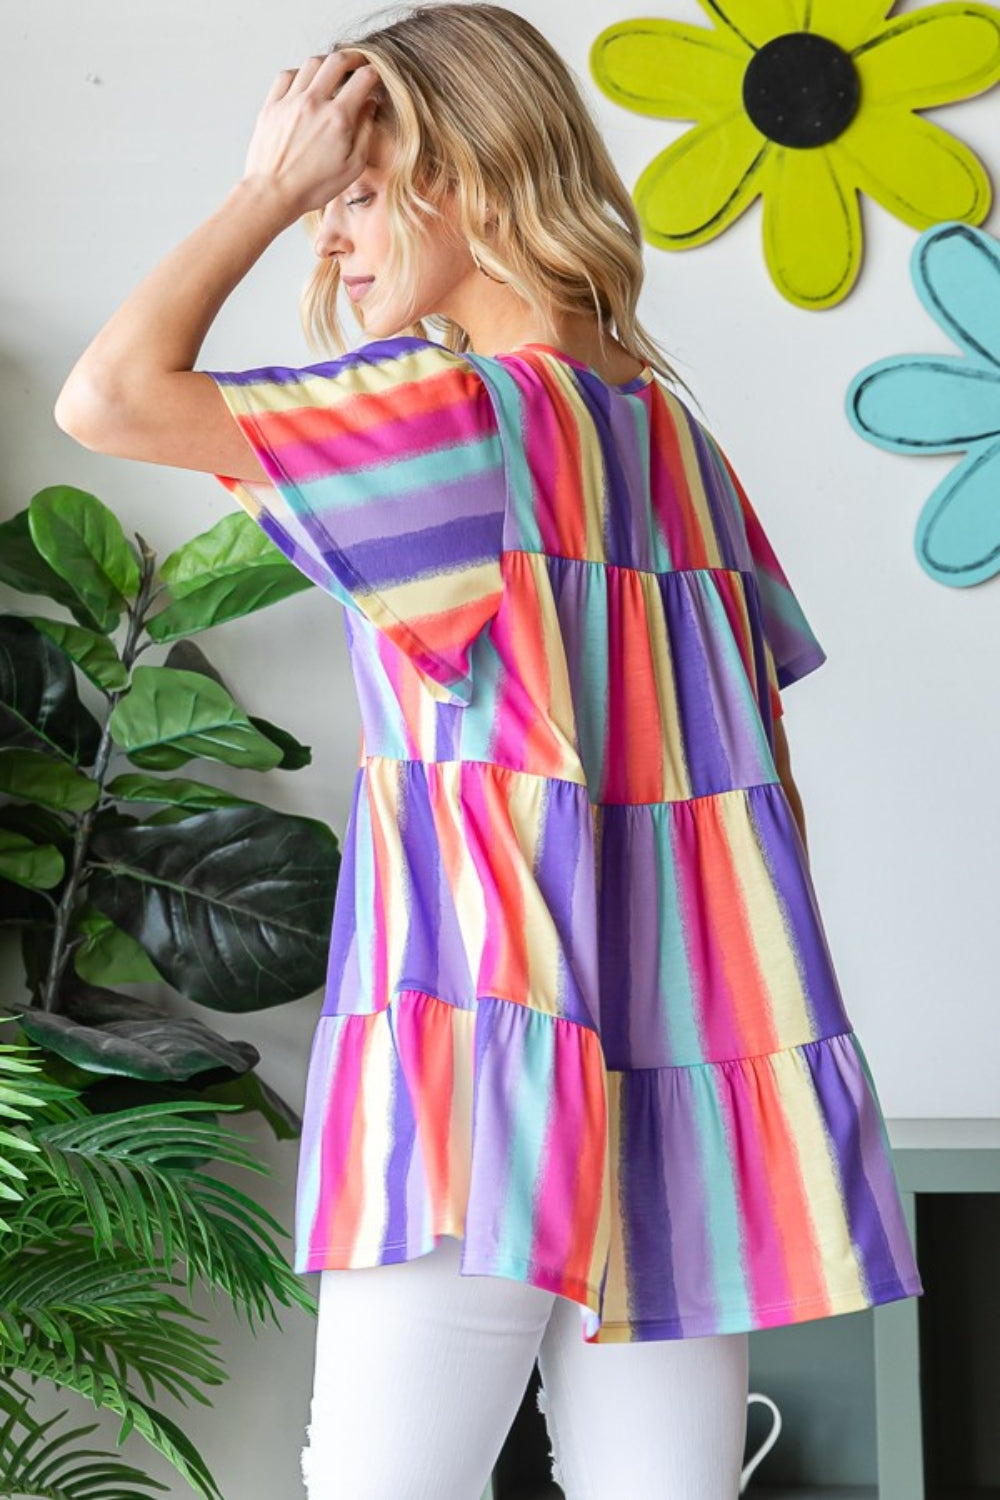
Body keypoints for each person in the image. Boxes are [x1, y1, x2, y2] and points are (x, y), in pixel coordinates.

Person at [54, 4, 924, 1496]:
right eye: (317, 205)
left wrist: (259, 190)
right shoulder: (674, 445)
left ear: (466, 173)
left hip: (480, 1077)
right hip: (683, 1094)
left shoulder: (453, 421)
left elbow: (108, 398)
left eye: (353, 195)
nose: (330, 244)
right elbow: (745, 782)